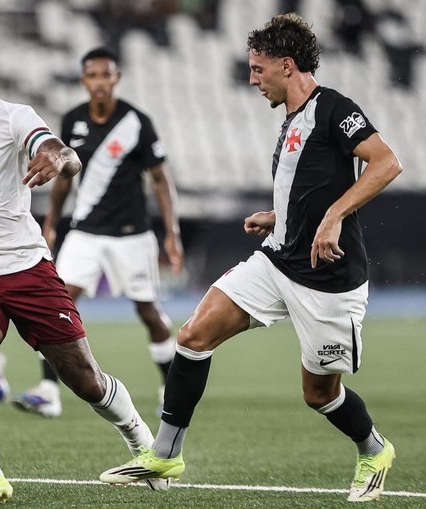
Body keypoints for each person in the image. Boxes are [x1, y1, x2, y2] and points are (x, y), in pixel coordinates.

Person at [99, 13, 403, 503]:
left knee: (319, 394)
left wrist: (331, 219)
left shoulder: (335, 109)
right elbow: (308, 186)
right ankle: (164, 454)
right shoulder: (289, 121)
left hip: (328, 279)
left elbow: (387, 162)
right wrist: (277, 216)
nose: (252, 79)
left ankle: (373, 448)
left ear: (287, 65)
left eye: (258, 69)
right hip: (278, 260)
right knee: (194, 335)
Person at [0, 46, 165, 504]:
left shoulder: (15, 118)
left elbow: (62, 153)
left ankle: (146, 446)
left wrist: (59, 158)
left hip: (26, 269)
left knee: (84, 377)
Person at [13, 47, 183, 419]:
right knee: (55, 305)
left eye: (106, 75)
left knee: (149, 312)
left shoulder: (137, 122)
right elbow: (61, 180)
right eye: (93, 76)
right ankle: (48, 391)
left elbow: (160, 179)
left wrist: (172, 233)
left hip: (131, 234)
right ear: (84, 80)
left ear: (116, 78)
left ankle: (170, 388)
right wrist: (52, 223)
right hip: (85, 232)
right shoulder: (73, 120)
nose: (100, 82)